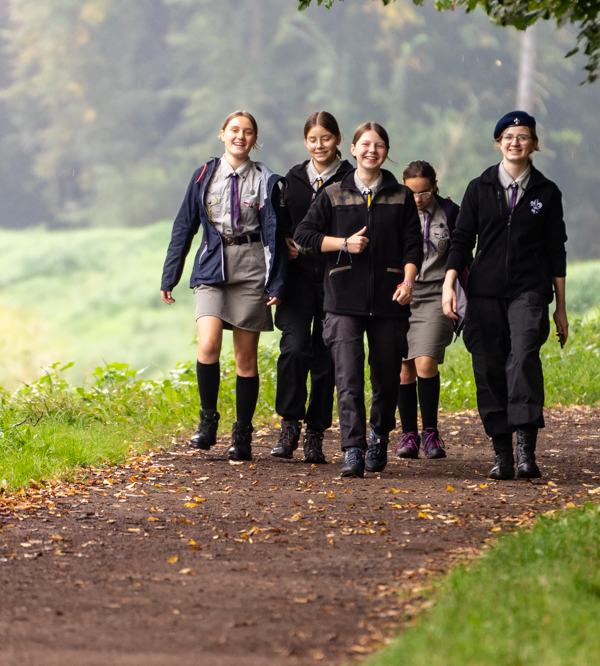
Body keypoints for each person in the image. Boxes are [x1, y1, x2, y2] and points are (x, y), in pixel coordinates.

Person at [442, 111, 569, 480]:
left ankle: (526, 450)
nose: (516, 143)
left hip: (530, 289)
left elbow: (556, 250)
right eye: (509, 136)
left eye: (523, 136)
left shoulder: (547, 192)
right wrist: (450, 284)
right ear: (498, 142)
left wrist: (560, 307)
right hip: (484, 292)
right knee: (489, 367)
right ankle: (502, 454)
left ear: (534, 144)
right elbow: (462, 241)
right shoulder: (478, 188)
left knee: (524, 355)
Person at [294, 122, 423, 478]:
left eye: (379, 145)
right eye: (365, 144)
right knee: (347, 376)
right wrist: (343, 244)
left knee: (385, 377)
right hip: (341, 299)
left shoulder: (399, 195)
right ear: (352, 149)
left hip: (389, 299)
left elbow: (414, 245)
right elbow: (304, 235)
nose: (372, 150)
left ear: (386, 151)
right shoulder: (334, 193)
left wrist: (409, 281)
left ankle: (379, 434)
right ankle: (353, 449)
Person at [160, 110, 287, 462]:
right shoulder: (204, 175)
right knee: (209, 344)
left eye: (248, 132)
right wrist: (170, 275)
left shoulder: (265, 179)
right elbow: (184, 226)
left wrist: (276, 279)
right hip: (211, 265)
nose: (240, 137)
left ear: (255, 139)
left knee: (245, 357)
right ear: (222, 134)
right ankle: (207, 421)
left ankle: (242, 433)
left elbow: (275, 232)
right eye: (234, 130)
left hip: (250, 268)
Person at [269, 111, 353, 464]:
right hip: (298, 279)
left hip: (337, 279)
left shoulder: (351, 179)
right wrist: (284, 240)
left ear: (337, 140)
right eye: (313, 139)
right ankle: (290, 424)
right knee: (293, 349)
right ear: (306, 142)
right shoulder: (292, 180)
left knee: (326, 358)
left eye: (326, 138)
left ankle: (315, 432)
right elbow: (276, 222)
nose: (320, 145)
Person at [395, 160, 459, 460]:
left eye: (423, 193)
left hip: (437, 293)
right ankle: (409, 434)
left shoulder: (450, 213)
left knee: (425, 363)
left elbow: (461, 253)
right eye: (412, 193)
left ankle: (430, 431)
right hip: (402, 295)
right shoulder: (395, 210)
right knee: (402, 368)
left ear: (434, 186)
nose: (418, 199)